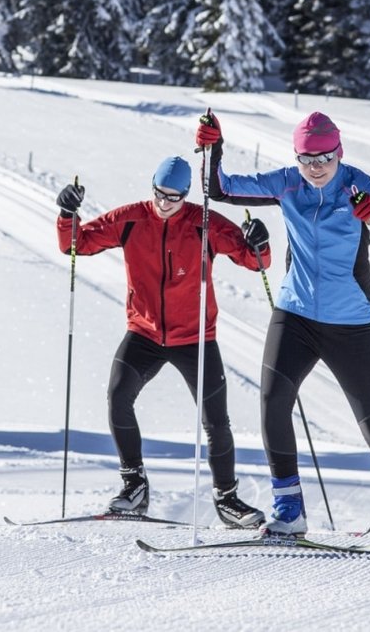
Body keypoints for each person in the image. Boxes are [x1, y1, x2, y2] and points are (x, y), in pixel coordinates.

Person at [197, 109, 370, 550]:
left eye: (324, 158)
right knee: (273, 401)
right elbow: (219, 189)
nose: (316, 168)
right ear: (296, 158)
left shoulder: (357, 185)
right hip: (295, 314)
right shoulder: (287, 183)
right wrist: (212, 147)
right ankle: (289, 510)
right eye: (307, 159)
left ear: (339, 153)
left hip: (349, 323)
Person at [56, 156, 271, 527]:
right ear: (151, 186)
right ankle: (134, 486)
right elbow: (76, 245)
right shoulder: (130, 219)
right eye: (160, 194)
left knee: (215, 421)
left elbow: (255, 262)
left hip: (195, 338)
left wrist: (259, 242)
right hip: (145, 333)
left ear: (186, 196)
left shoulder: (203, 224)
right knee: (119, 396)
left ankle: (227, 500)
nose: (165, 203)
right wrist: (66, 213)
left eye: (174, 197)